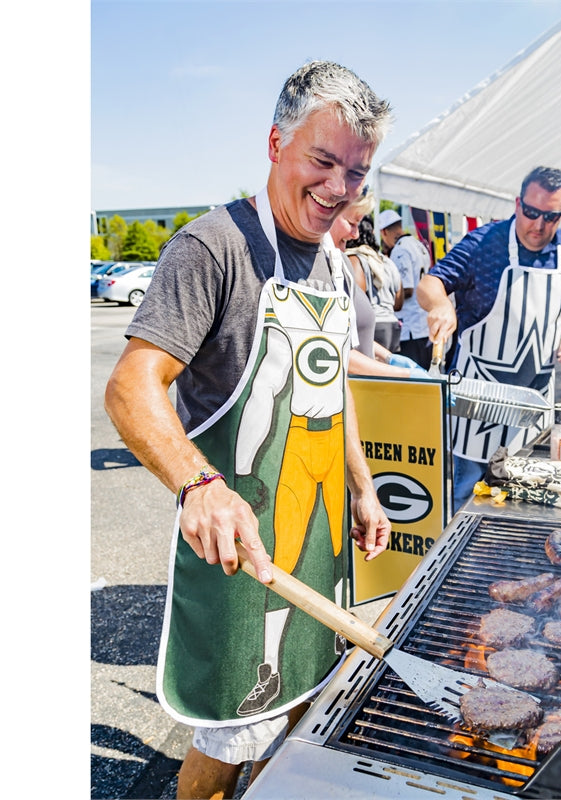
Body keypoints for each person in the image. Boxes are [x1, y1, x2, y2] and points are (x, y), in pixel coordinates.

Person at [104, 61, 393, 799]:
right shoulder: (213, 248)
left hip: (319, 535)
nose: (337, 189)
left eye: (356, 173)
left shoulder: (331, 259)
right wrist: (199, 484)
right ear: (274, 143)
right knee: (235, 723)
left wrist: (362, 486)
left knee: (300, 705)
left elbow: (329, 382)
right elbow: (132, 386)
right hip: (244, 544)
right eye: (322, 162)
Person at [417, 165, 561, 509]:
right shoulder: (483, 242)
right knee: (465, 501)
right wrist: (440, 306)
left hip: (532, 407)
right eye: (531, 212)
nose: (539, 225)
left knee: (523, 504)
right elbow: (430, 283)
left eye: (550, 217)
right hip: (475, 408)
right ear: (517, 204)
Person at [328, 193, 430, 380]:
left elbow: (353, 339)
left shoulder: (344, 261)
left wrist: (388, 357)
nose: (355, 234)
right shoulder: (408, 250)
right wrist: (403, 373)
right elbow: (336, 350)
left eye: (358, 225)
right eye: (351, 223)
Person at [377, 208, 434, 368]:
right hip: (422, 325)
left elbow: (406, 290)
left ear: (385, 232)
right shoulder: (419, 245)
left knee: (411, 379)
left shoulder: (400, 250)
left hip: (410, 328)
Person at [347, 216, 404, 353]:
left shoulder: (355, 259)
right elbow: (399, 302)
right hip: (393, 325)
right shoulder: (387, 261)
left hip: (373, 328)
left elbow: (357, 302)